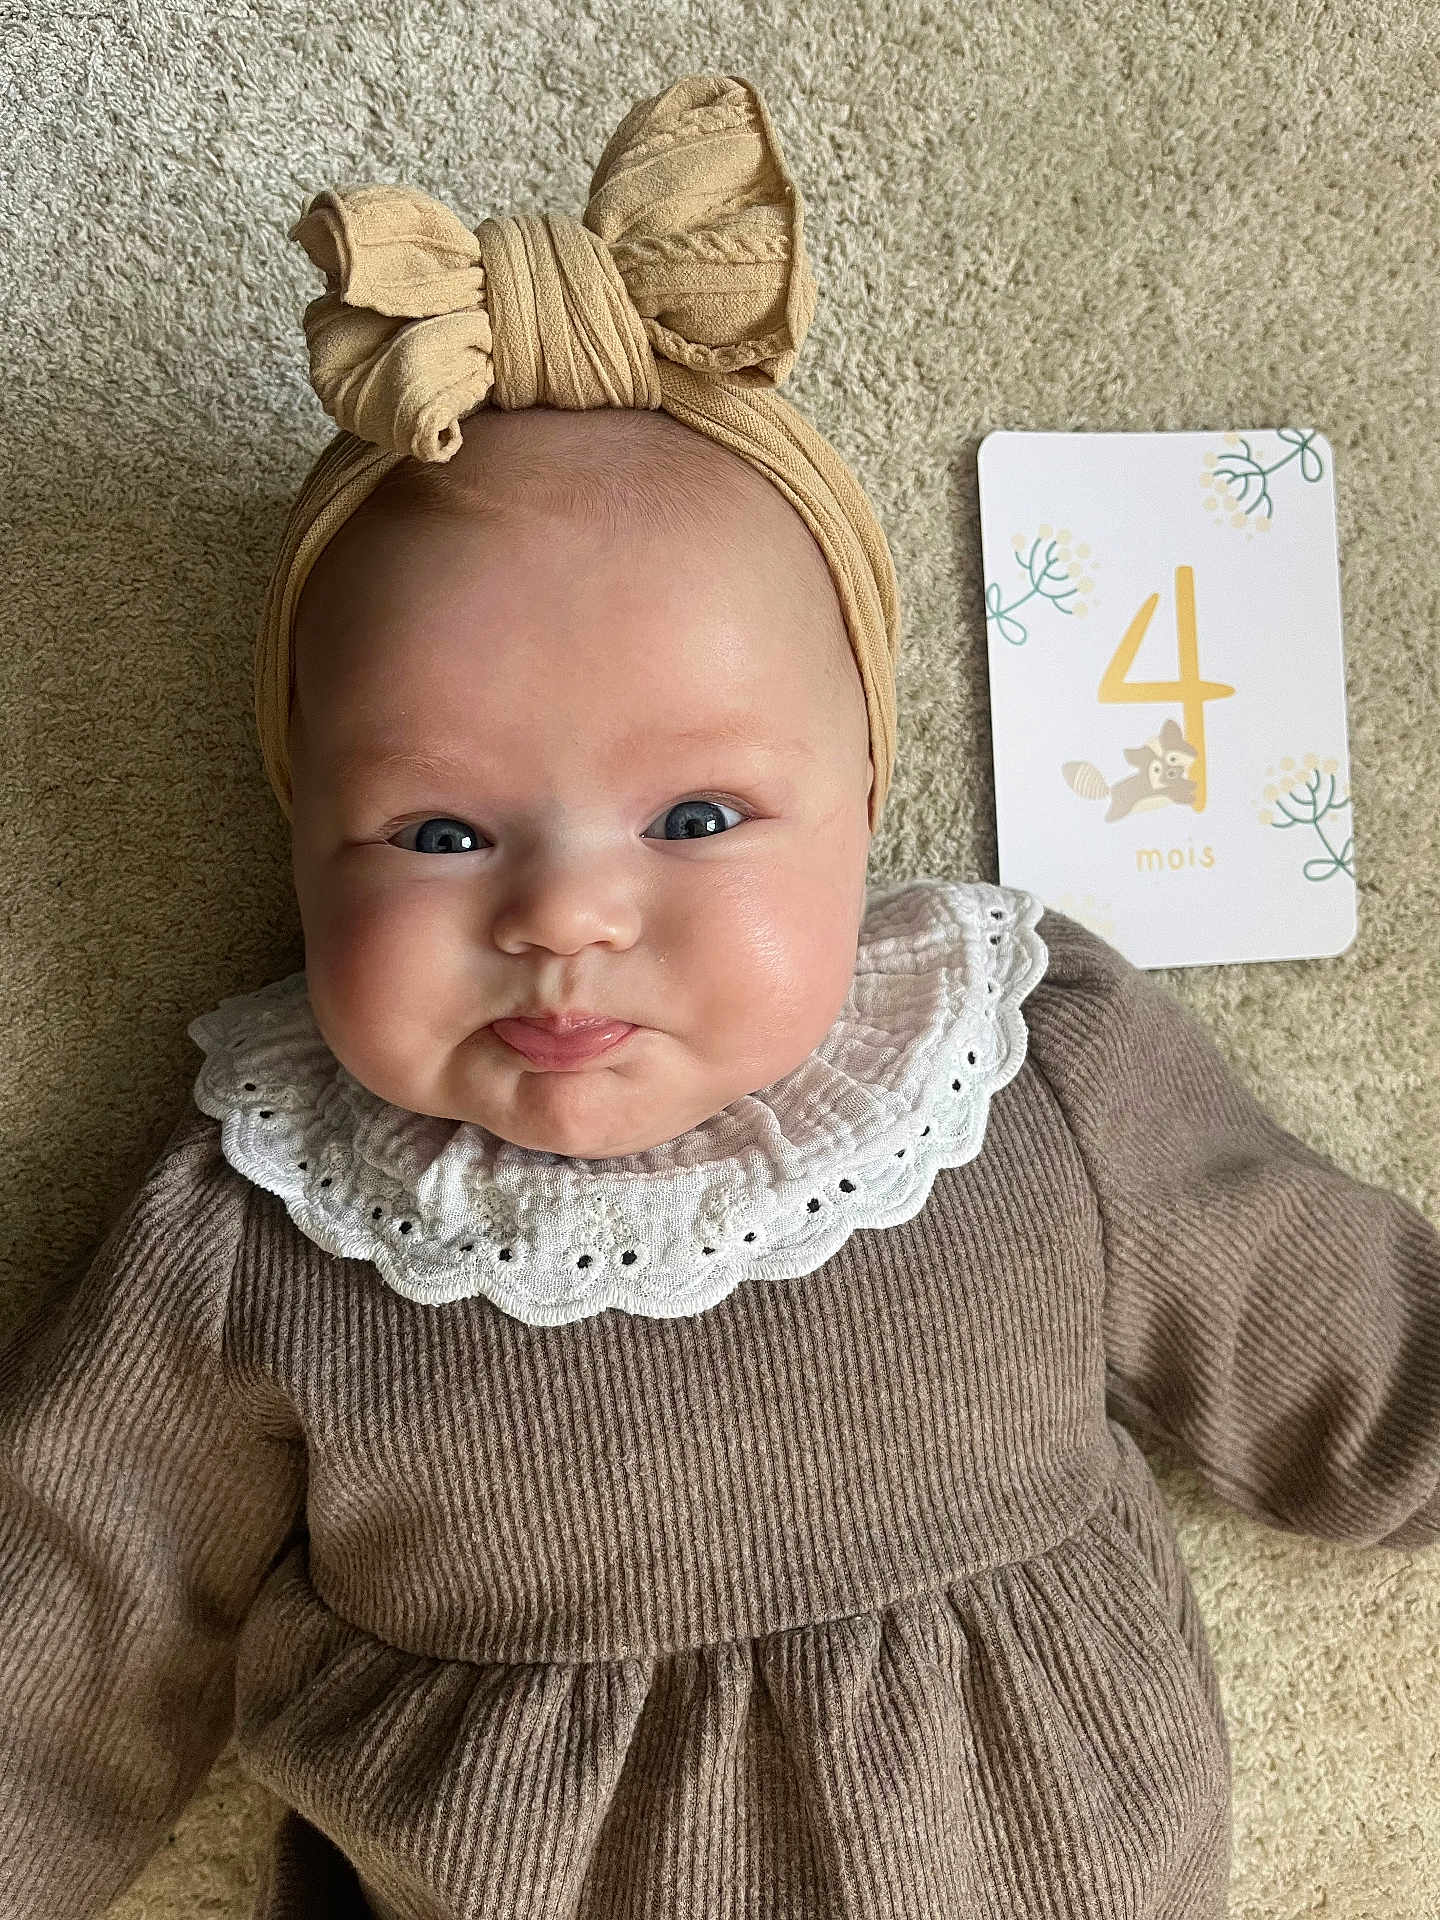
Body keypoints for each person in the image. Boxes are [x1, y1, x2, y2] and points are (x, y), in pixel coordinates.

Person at [0, 70, 1435, 1920]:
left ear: (859, 805)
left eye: (696, 815)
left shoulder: (1013, 1064)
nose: (569, 912)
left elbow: (1309, 1313)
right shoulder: (264, 1217)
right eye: (435, 829)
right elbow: (74, 1614)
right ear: (298, 841)